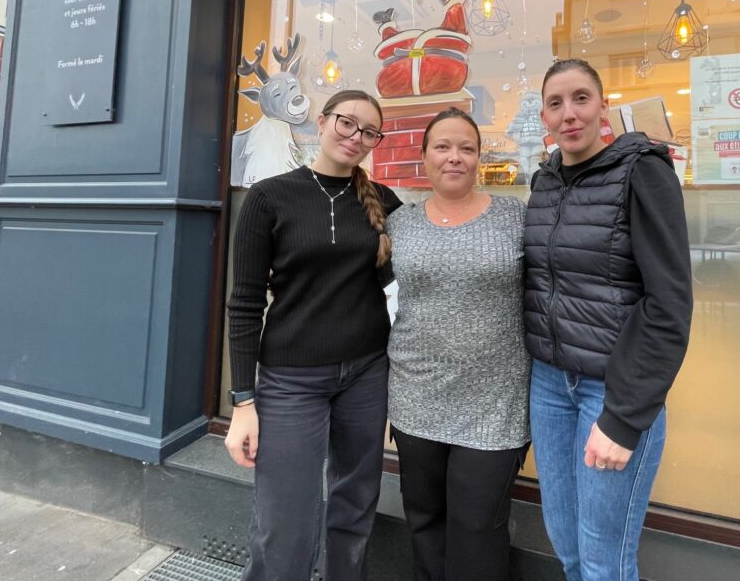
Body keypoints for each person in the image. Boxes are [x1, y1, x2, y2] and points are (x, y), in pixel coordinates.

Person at [523, 59, 692, 581]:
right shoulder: (545, 181)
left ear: (602, 106)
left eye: (580, 99)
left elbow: (668, 304)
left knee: (604, 558)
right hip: (550, 385)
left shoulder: (643, 170)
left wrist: (623, 416)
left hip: (611, 390)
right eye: (556, 103)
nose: (568, 114)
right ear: (544, 117)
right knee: (565, 541)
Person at [225, 89, 402, 581]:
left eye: (369, 131)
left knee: (354, 504)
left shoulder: (384, 201)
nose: (356, 137)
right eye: (347, 123)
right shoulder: (268, 197)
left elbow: (411, 278)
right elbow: (243, 305)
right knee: (286, 517)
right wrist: (243, 401)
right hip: (289, 380)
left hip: (366, 374)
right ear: (322, 123)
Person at [386, 107, 530, 581]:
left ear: (478, 158)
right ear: (424, 157)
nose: (455, 158)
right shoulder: (398, 224)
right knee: (424, 520)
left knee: (478, 526)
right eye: (443, 147)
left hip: (494, 406)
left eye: (466, 148)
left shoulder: (516, 218)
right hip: (415, 399)